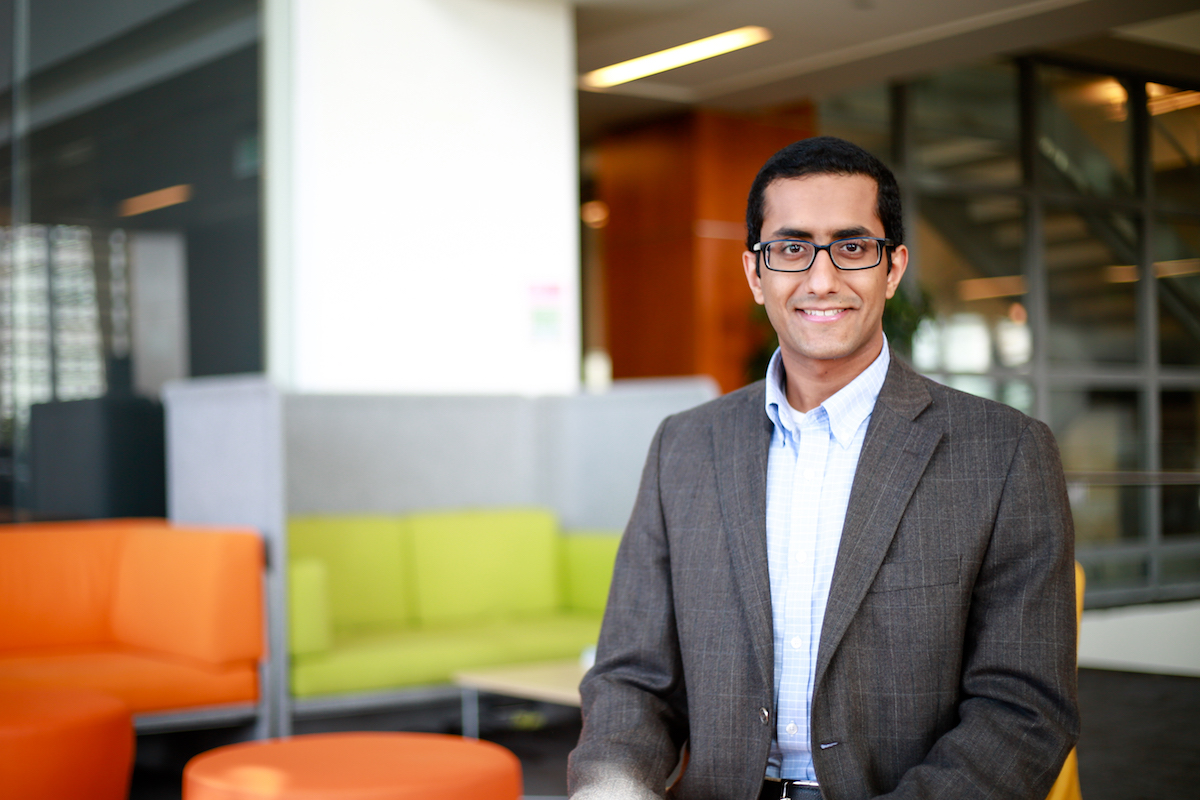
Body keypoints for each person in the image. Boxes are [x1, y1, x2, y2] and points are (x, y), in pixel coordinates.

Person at [567, 136, 1079, 800]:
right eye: (791, 248)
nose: (821, 280)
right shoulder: (684, 447)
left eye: (852, 247)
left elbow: (1023, 707)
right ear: (756, 274)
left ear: (892, 268)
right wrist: (612, 790)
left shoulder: (1004, 453)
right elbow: (631, 678)